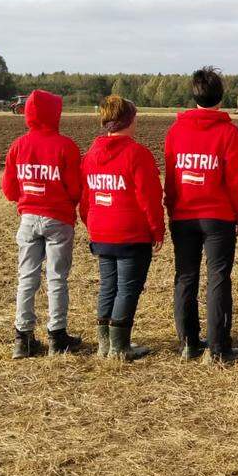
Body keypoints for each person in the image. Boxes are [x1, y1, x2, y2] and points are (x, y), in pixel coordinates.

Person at [163, 66, 238, 362]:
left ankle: (188, 342)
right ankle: (218, 347)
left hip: (183, 215)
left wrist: (171, 206)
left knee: (185, 277)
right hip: (218, 216)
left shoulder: (176, 131)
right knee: (218, 278)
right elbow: (235, 180)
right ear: (220, 97)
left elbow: (171, 175)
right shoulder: (229, 133)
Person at [80, 96, 164, 362]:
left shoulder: (91, 154)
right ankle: (120, 345)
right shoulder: (137, 154)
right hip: (130, 234)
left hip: (101, 231)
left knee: (108, 286)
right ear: (129, 120)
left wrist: (91, 221)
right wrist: (157, 229)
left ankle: (104, 343)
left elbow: (85, 196)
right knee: (128, 287)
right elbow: (149, 196)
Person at [0, 90, 83, 358]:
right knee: (57, 277)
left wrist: (27, 198)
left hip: (28, 219)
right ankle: (57, 336)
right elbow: (75, 189)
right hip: (58, 220)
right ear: (54, 113)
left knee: (27, 277)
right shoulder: (65, 146)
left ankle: (22, 338)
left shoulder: (17, 146)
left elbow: (9, 189)